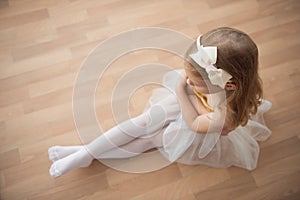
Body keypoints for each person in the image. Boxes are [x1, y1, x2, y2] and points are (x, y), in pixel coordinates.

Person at [48, 27, 271, 178]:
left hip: (197, 127)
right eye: (188, 76)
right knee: (144, 121)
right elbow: (199, 96)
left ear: (228, 85)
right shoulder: (213, 86)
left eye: (195, 81)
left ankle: (88, 154)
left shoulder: (226, 114)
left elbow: (194, 123)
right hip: (196, 106)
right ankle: (85, 153)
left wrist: (182, 91)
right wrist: (193, 91)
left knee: (149, 139)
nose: (188, 80)